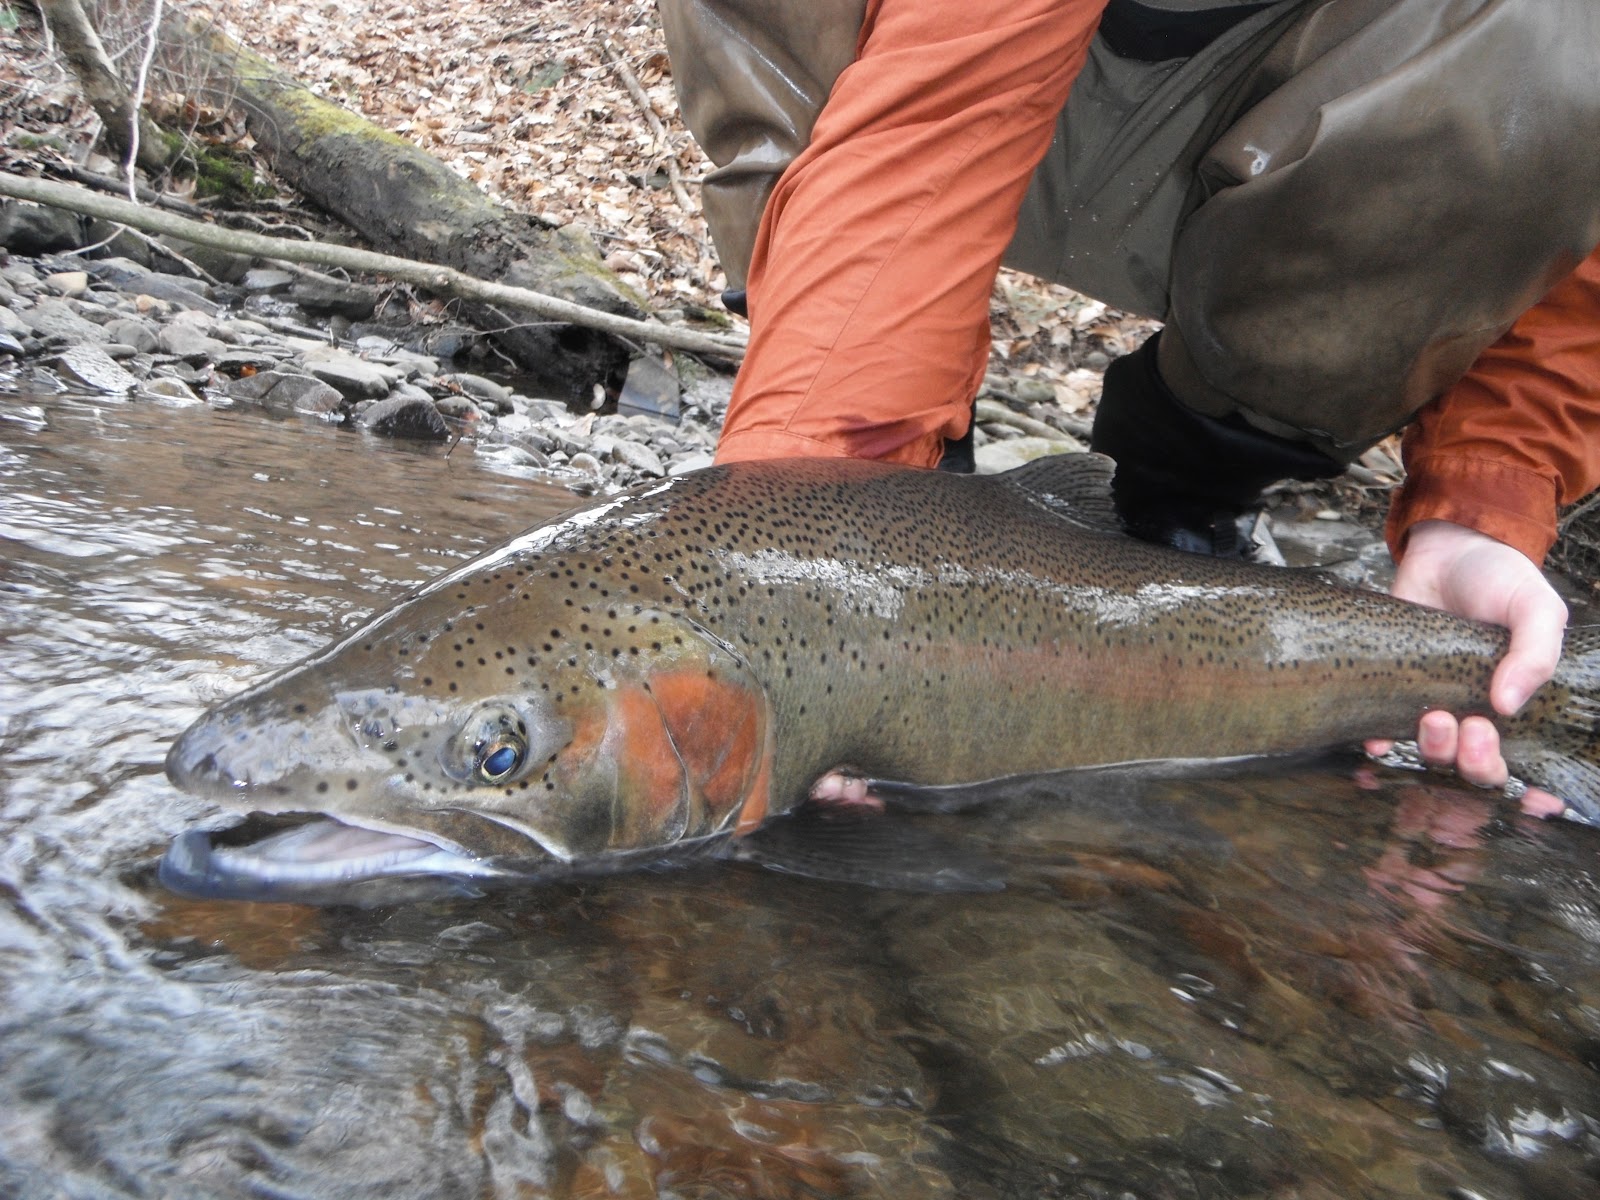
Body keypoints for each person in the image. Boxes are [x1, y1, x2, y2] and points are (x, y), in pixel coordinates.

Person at [657, 0, 1600, 809]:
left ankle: (1184, 500)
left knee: (1565, 39)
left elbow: (1573, 223)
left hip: (1328, 154)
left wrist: (1485, 507)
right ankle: (907, 477)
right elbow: (936, 113)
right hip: (904, 84)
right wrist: (811, 524)